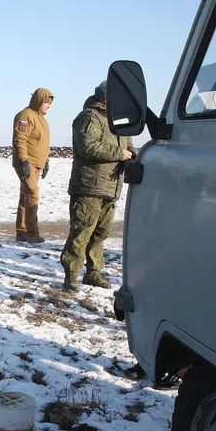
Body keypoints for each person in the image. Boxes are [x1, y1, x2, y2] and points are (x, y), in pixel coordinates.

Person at [61, 81, 136, 292]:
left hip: (111, 187)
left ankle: (93, 272)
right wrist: (118, 154)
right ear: (105, 98)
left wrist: (136, 155)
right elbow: (88, 147)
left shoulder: (118, 121)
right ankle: (71, 274)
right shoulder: (88, 117)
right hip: (88, 188)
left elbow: (127, 144)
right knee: (81, 232)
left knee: (100, 234)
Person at [12, 88, 54, 244]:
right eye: (47, 106)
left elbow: (42, 143)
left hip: (37, 163)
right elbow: (20, 139)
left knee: (26, 195)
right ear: (40, 102)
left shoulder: (41, 119)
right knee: (32, 194)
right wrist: (23, 162)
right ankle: (32, 232)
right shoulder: (26, 115)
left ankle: (21, 232)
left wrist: (46, 161)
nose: (47, 109)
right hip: (27, 163)